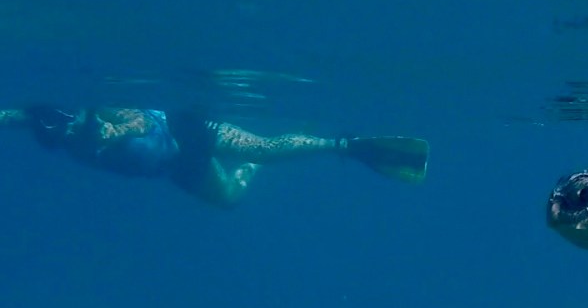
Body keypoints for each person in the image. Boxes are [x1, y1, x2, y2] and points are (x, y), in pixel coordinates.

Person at [0, 105, 428, 206]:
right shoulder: (52, 127)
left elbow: (140, 120)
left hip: (184, 130)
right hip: (176, 165)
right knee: (229, 199)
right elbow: (11, 116)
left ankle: (346, 146)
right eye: (58, 134)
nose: (69, 131)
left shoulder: (97, 115)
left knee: (264, 149)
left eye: (72, 125)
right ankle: (253, 166)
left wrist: (117, 131)